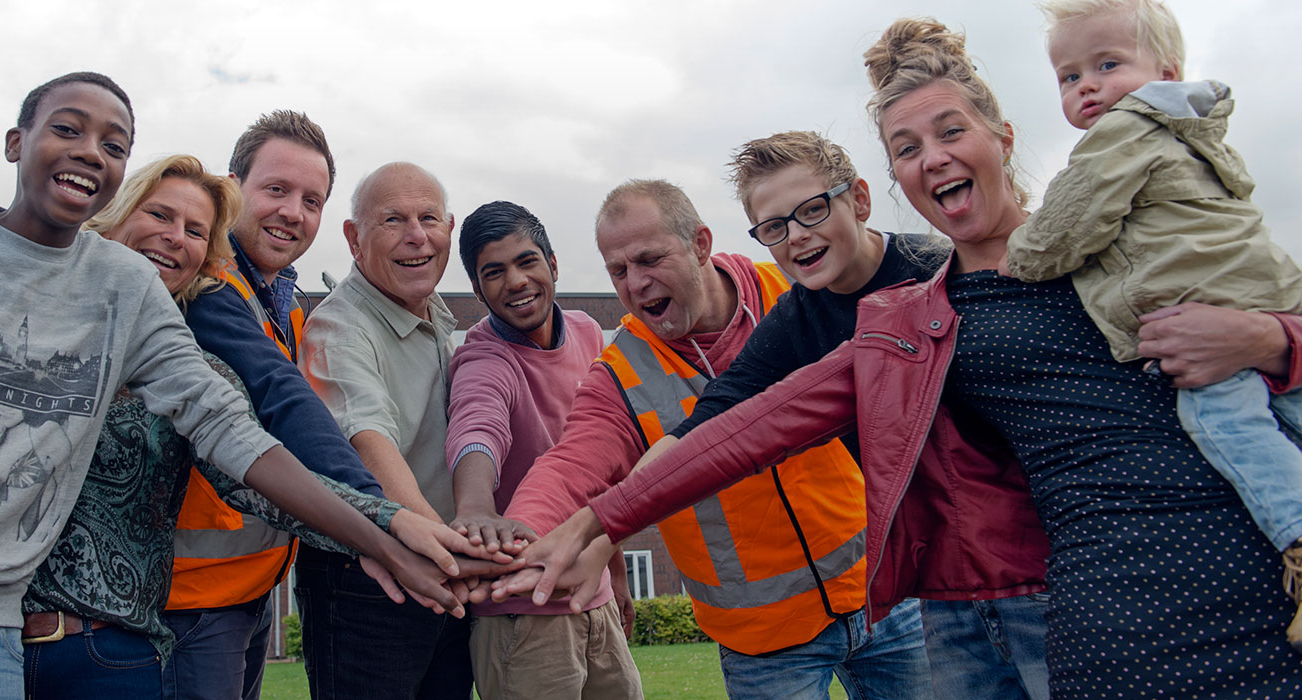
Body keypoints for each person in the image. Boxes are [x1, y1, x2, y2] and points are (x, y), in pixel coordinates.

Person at [515, 18, 1302, 699]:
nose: (933, 159)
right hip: (1059, 609)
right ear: (892, 174)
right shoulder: (906, 320)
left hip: (1212, 573)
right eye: (908, 147)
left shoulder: (1101, 243)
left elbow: (1253, 289)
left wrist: (1271, 342)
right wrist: (598, 521)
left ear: (1002, 137)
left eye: (952, 132)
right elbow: (744, 426)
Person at [0, 73, 466, 700]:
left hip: (3, 636)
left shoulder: (132, 298)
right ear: (17, 142)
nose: (89, 152)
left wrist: (385, 531)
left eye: (113, 143)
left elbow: (239, 433)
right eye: (67, 129)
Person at [20, 155, 498, 699]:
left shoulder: (204, 344)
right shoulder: (37, 312)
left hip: (145, 634)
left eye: (195, 230)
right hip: (66, 621)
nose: (175, 238)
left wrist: (381, 529)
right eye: (159, 215)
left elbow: (247, 461)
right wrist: (390, 525)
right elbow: (305, 408)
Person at [500, 179, 931, 699]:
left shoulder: (796, 295)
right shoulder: (618, 373)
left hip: (885, 595)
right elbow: (571, 463)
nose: (636, 284)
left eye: (649, 259)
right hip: (761, 642)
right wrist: (518, 534)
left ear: (700, 243)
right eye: (618, 271)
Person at [1000, 0, 1302, 645]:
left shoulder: (1123, 132)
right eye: (1069, 76)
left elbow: (1065, 226)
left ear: (1165, 70)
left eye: (1107, 65)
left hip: (1205, 308)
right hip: (1266, 295)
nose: (1087, 86)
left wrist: (1017, 260)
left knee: (1226, 423)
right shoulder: (1192, 132)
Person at [162, 110, 374, 700]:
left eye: (312, 200)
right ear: (232, 188)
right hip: (188, 600)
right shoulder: (203, 283)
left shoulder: (288, 304)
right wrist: (383, 520)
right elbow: (283, 399)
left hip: (251, 591)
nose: (293, 212)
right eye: (276, 190)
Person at [446, 201, 643, 699]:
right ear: (477, 289)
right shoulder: (483, 357)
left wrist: (613, 570)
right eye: (494, 272)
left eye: (526, 262)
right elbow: (476, 426)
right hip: (521, 615)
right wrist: (474, 506)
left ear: (552, 264)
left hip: (591, 595)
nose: (515, 281)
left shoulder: (588, 333)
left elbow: (608, 466)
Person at [297, 162, 474, 699]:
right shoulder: (339, 327)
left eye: (428, 219)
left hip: (443, 569)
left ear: (449, 227)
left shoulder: (439, 319)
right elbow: (367, 445)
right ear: (353, 238)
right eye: (393, 220)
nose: (417, 236)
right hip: (370, 586)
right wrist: (457, 559)